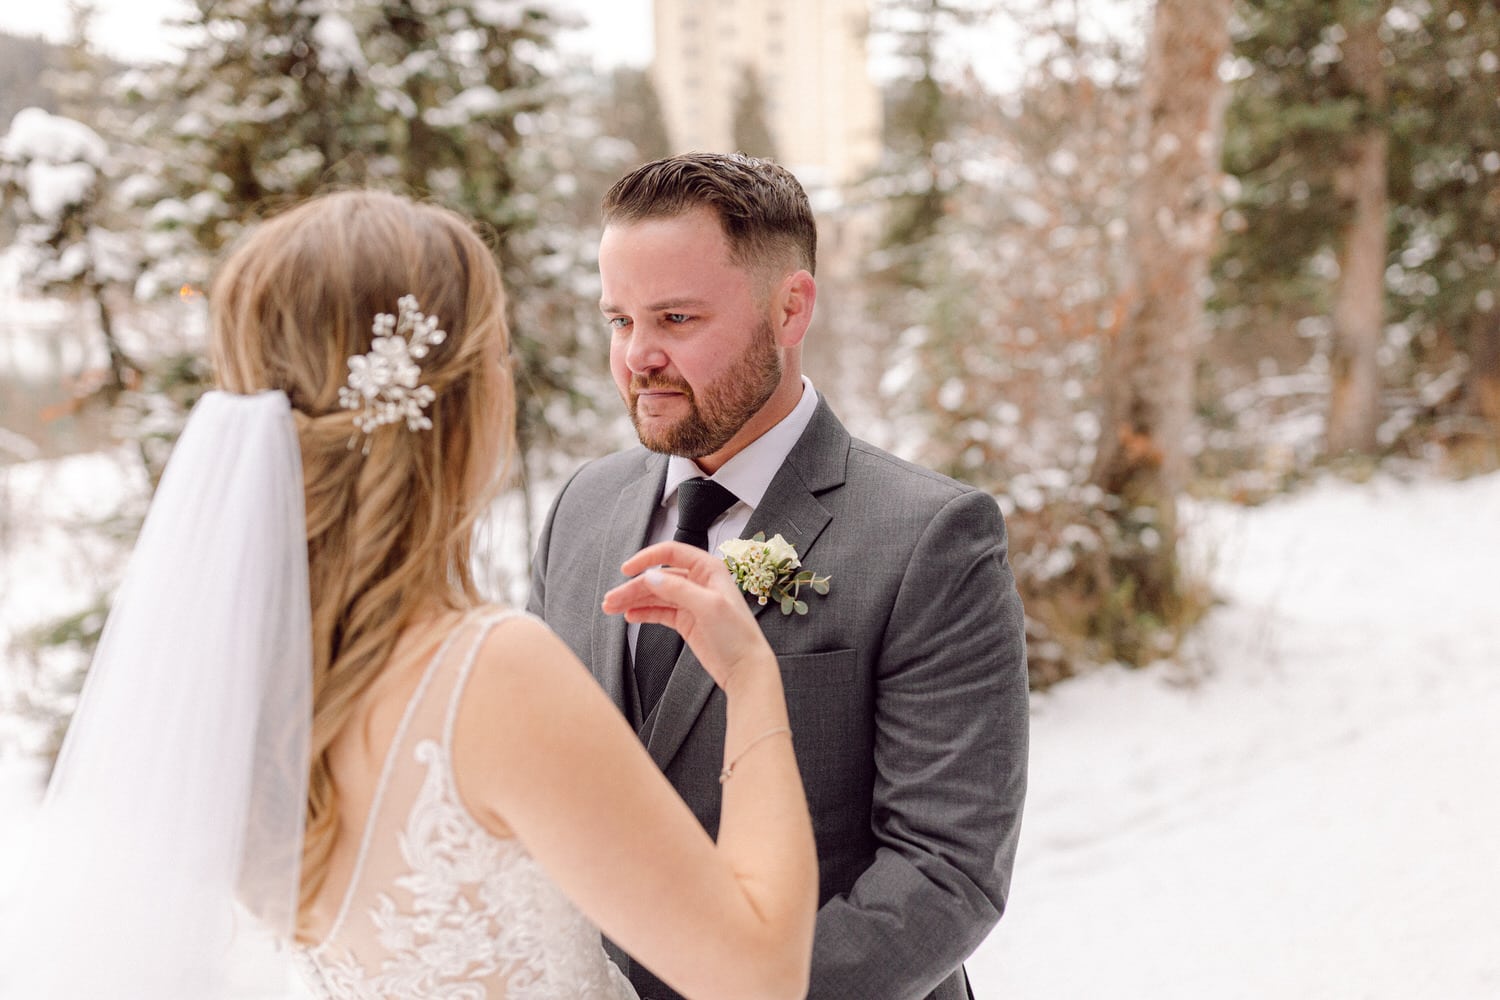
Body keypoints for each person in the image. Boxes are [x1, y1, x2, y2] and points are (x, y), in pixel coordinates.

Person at [0, 189, 817, 1000]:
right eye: (497, 355)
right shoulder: (491, 673)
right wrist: (749, 679)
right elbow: (760, 975)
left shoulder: (227, 676)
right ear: (456, 403)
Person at [528, 152, 1030, 1000]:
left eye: (676, 318)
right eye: (619, 321)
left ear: (790, 307)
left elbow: (948, 872)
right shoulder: (581, 506)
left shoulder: (932, 537)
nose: (638, 357)